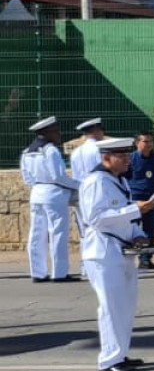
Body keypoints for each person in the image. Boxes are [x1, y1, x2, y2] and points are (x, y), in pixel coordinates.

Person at [79, 137, 154, 371]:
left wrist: (138, 234)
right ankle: (109, 360)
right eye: (122, 156)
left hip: (122, 249)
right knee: (111, 307)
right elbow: (95, 218)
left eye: (127, 155)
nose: (128, 160)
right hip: (103, 251)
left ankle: (120, 354)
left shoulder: (119, 180)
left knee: (125, 306)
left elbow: (124, 216)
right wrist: (136, 208)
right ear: (106, 158)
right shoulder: (96, 181)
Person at [21, 116, 80, 283]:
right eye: (55, 131)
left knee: (36, 234)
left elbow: (26, 178)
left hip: (36, 192)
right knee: (58, 233)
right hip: (54, 194)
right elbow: (58, 176)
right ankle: (59, 273)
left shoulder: (27, 152)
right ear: (47, 133)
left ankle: (38, 273)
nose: (58, 134)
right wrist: (79, 185)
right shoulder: (50, 150)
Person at [128, 133, 154, 269]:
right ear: (137, 143)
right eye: (145, 141)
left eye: (151, 141)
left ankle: (145, 259)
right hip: (135, 200)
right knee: (131, 230)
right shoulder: (130, 159)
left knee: (150, 230)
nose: (149, 144)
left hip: (153, 200)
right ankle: (127, 259)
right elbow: (123, 179)